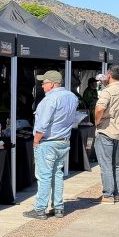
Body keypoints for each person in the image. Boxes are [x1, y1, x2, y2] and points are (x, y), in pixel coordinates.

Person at [23, 70, 78, 219]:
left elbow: (42, 124)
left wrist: (35, 141)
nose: (42, 85)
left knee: (44, 176)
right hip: (63, 141)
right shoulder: (72, 96)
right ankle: (58, 207)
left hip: (48, 142)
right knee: (57, 174)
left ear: (52, 84)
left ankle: (40, 209)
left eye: (44, 82)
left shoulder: (49, 100)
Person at [94, 66, 119, 203]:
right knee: (115, 164)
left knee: (106, 165)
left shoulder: (107, 92)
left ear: (108, 74)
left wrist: (97, 122)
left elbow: (99, 108)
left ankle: (108, 195)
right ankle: (115, 193)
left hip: (106, 130)